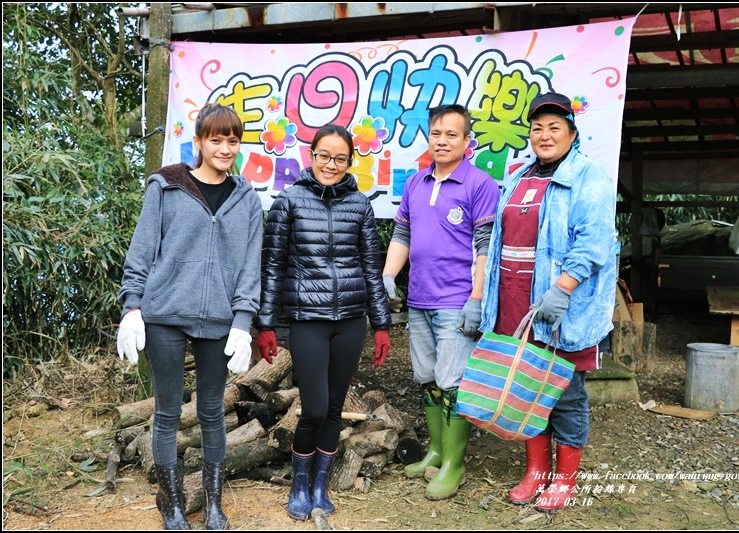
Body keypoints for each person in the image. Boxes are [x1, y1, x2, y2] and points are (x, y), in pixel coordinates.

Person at [117, 102, 263, 530]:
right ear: (198, 141)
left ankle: (214, 503)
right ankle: (173, 503)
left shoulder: (246, 198)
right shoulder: (166, 186)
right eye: (216, 139)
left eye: (232, 140)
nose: (224, 148)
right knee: (166, 413)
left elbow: (250, 266)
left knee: (212, 411)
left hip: (219, 321)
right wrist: (133, 307)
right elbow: (142, 250)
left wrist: (242, 321)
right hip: (164, 315)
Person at [480, 92, 617, 513]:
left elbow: (594, 243)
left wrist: (562, 288)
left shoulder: (588, 177)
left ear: (572, 134)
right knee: (527, 389)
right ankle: (536, 472)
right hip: (515, 302)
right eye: (537, 127)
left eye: (554, 127)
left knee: (565, 392)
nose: (544, 135)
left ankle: (565, 478)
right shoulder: (520, 176)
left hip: (562, 305)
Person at [254, 124, 392, 521]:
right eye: (324, 156)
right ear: (310, 155)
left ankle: (319, 485)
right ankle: (298, 483)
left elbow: (371, 268)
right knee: (313, 407)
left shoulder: (360, 205)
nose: (331, 164)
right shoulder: (289, 201)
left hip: (351, 320)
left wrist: (380, 324)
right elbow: (273, 266)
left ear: (350, 161)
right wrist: (266, 324)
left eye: (340, 158)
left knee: (333, 408)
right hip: (308, 320)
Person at [382, 104, 500, 500]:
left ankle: (454, 462)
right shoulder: (415, 183)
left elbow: (486, 245)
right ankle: (435, 450)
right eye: (436, 133)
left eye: (452, 134)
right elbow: (402, 233)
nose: (443, 140)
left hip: (456, 300)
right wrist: (388, 275)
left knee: (453, 382)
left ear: (468, 141)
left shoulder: (480, 184)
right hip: (420, 299)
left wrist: (477, 297)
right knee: (428, 378)